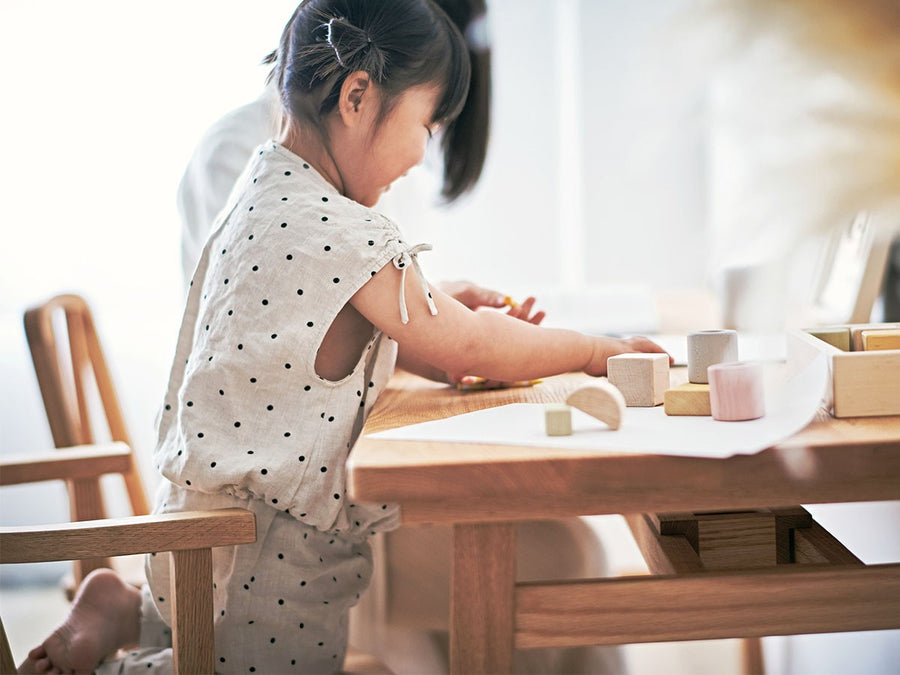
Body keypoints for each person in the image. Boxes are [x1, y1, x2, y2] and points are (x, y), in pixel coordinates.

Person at [20, 1, 667, 672]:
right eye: (426, 122)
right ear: (358, 96)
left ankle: (125, 609)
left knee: (204, 643)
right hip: (268, 546)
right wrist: (598, 350)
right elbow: (468, 345)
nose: (423, 154)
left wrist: (433, 303)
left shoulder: (263, 191)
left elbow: (348, 318)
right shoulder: (346, 230)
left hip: (200, 523)